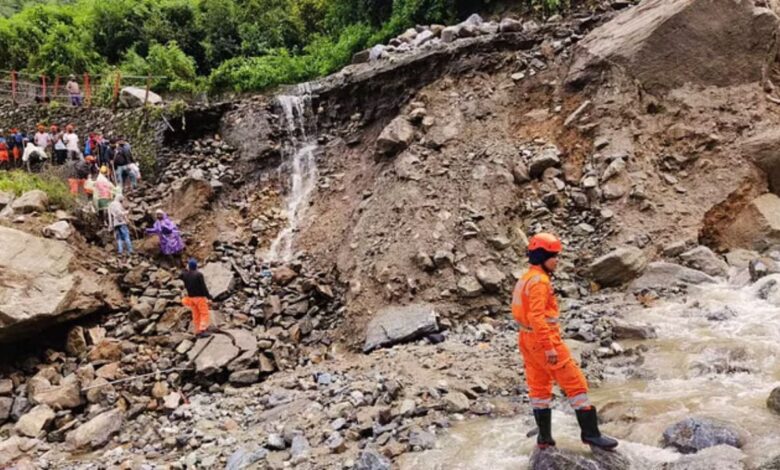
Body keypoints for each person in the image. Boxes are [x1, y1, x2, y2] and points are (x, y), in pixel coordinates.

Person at [512, 233, 618, 451]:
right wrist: (549, 346)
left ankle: (544, 439)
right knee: (575, 384)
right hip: (544, 340)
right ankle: (591, 434)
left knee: (539, 387)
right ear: (542, 257)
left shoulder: (526, 278)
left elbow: (525, 315)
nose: (557, 260)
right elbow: (537, 317)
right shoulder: (540, 282)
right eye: (553, 256)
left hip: (526, 339)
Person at [180, 258, 213, 337]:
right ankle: (202, 330)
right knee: (204, 313)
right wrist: (208, 297)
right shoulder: (198, 275)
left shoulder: (185, 275)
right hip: (200, 298)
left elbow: (181, 273)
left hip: (191, 298)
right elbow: (203, 287)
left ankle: (197, 330)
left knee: (196, 314)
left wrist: (186, 269)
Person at [108, 194, 133, 264]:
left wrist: (111, 225)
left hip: (115, 224)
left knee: (119, 239)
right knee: (126, 237)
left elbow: (109, 216)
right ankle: (130, 250)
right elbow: (119, 213)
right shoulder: (117, 204)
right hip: (121, 223)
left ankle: (120, 251)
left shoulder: (110, 205)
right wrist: (127, 212)